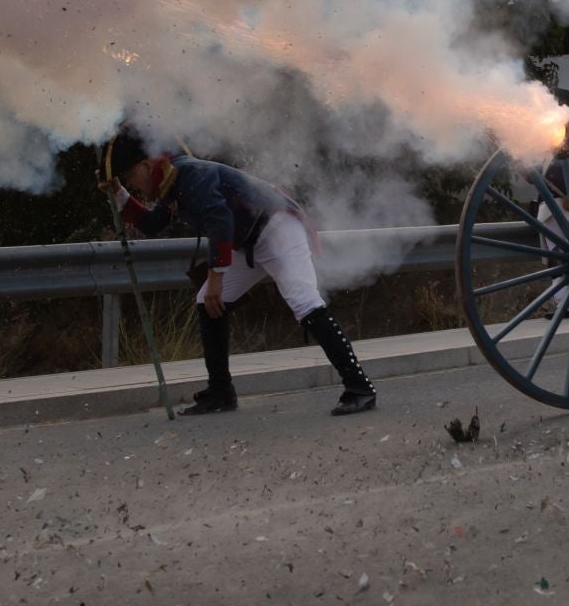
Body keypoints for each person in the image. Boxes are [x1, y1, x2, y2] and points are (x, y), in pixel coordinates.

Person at [102, 127, 376, 417]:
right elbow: (152, 224)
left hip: (277, 229)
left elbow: (220, 222)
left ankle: (360, 388)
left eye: (130, 177)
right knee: (207, 302)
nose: (132, 184)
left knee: (305, 303)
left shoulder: (189, 175)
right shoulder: (172, 182)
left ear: (146, 166)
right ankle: (220, 392)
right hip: (249, 242)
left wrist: (216, 278)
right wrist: (118, 192)